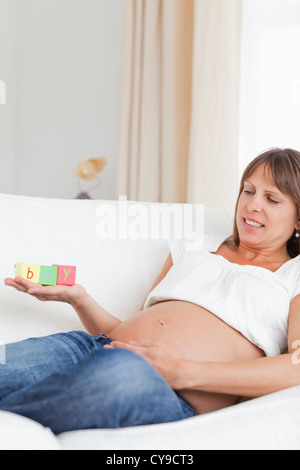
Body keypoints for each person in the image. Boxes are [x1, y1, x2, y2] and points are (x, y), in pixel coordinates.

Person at [2, 147, 300, 435]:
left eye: (272, 199)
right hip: (95, 346)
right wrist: (79, 299)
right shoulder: (195, 245)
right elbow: (130, 334)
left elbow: (296, 366)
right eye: (248, 191)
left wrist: (184, 371)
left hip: (168, 392)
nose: (252, 205)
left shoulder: (294, 274)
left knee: (121, 374)